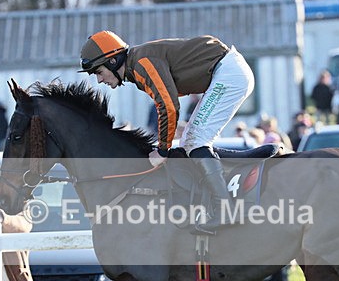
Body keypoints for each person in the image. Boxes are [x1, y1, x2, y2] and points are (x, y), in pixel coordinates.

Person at [79, 30, 254, 233]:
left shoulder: (141, 63)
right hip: (227, 70)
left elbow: (168, 106)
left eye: (99, 72)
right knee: (191, 140)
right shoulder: (138, 65)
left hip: (229, 73)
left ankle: (224, 209)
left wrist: (162, 150)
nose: (100, 80)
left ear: (112, 61)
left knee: (196, 140)